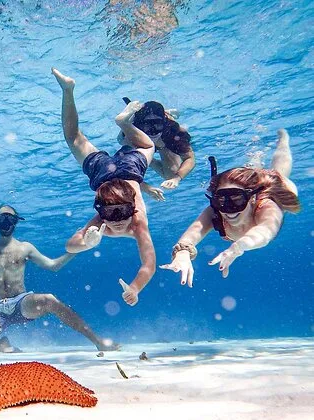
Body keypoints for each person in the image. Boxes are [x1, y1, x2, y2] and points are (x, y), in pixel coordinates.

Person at [0, 204, 117, 354]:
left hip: (21, 303)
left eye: (10, 218)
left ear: (16, 221)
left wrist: (83, 246)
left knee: (49, 300)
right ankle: (1, 346)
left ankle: (98, 341)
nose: (6, 222)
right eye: (2, 218)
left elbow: (53, 265)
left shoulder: (25, 248)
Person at [52, 68, 156, 306]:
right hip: (126, 170)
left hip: (105, 173)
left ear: (132, 208)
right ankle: (123, 123)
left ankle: (68, 90)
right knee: (148, 146)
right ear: (102, 210)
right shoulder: (125, 223)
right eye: (111, 212)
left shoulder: (113, 221)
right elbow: (149, 264)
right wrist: (87, 242)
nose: (117, 220)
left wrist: (86, 244)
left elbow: (70, 245)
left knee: (74, 137)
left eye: (120, 211)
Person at [160, 129, 299, 286]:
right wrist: (182, 253)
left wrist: (240, 245)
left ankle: (283, 141)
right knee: (247, 176)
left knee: (278, 172)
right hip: (248, 190)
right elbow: (193, 232)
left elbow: (266, 231)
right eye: (221, 200)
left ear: (252, 198)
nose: (228, 209)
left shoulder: (267, 206)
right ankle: (252, 165)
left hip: (275, 187)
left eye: (237, 200)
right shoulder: (215, 210)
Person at [117, 98, 195, 200]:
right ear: (140, 125)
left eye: (157, 124)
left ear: (163, 123)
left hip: (164, 143)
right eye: (147, 125)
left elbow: (190, 158)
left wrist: (177, 179)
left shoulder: (172, 132)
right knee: (120, 140)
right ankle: (131, 117)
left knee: (171, 175)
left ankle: (167, 113)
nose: (153, 130)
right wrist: (146, 188)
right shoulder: (130, 139)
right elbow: (121, 173)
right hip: (138, 136)